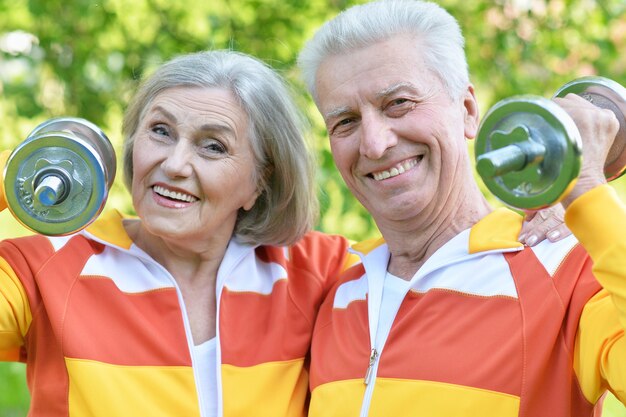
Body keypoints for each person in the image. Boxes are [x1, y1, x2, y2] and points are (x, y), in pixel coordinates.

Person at [297, 1, 626, 416]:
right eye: (345, 121)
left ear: (468, 111)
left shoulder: (564, 269)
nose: (374, 144)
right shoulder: (332, 286)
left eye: (398, 102)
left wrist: (588, 193)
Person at [0, 50, 352, 417]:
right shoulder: (44, 268)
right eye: (161, 132)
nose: (173, 164)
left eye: (213, 146)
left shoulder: (318, 271)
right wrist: (17, 170)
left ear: (259, 182)